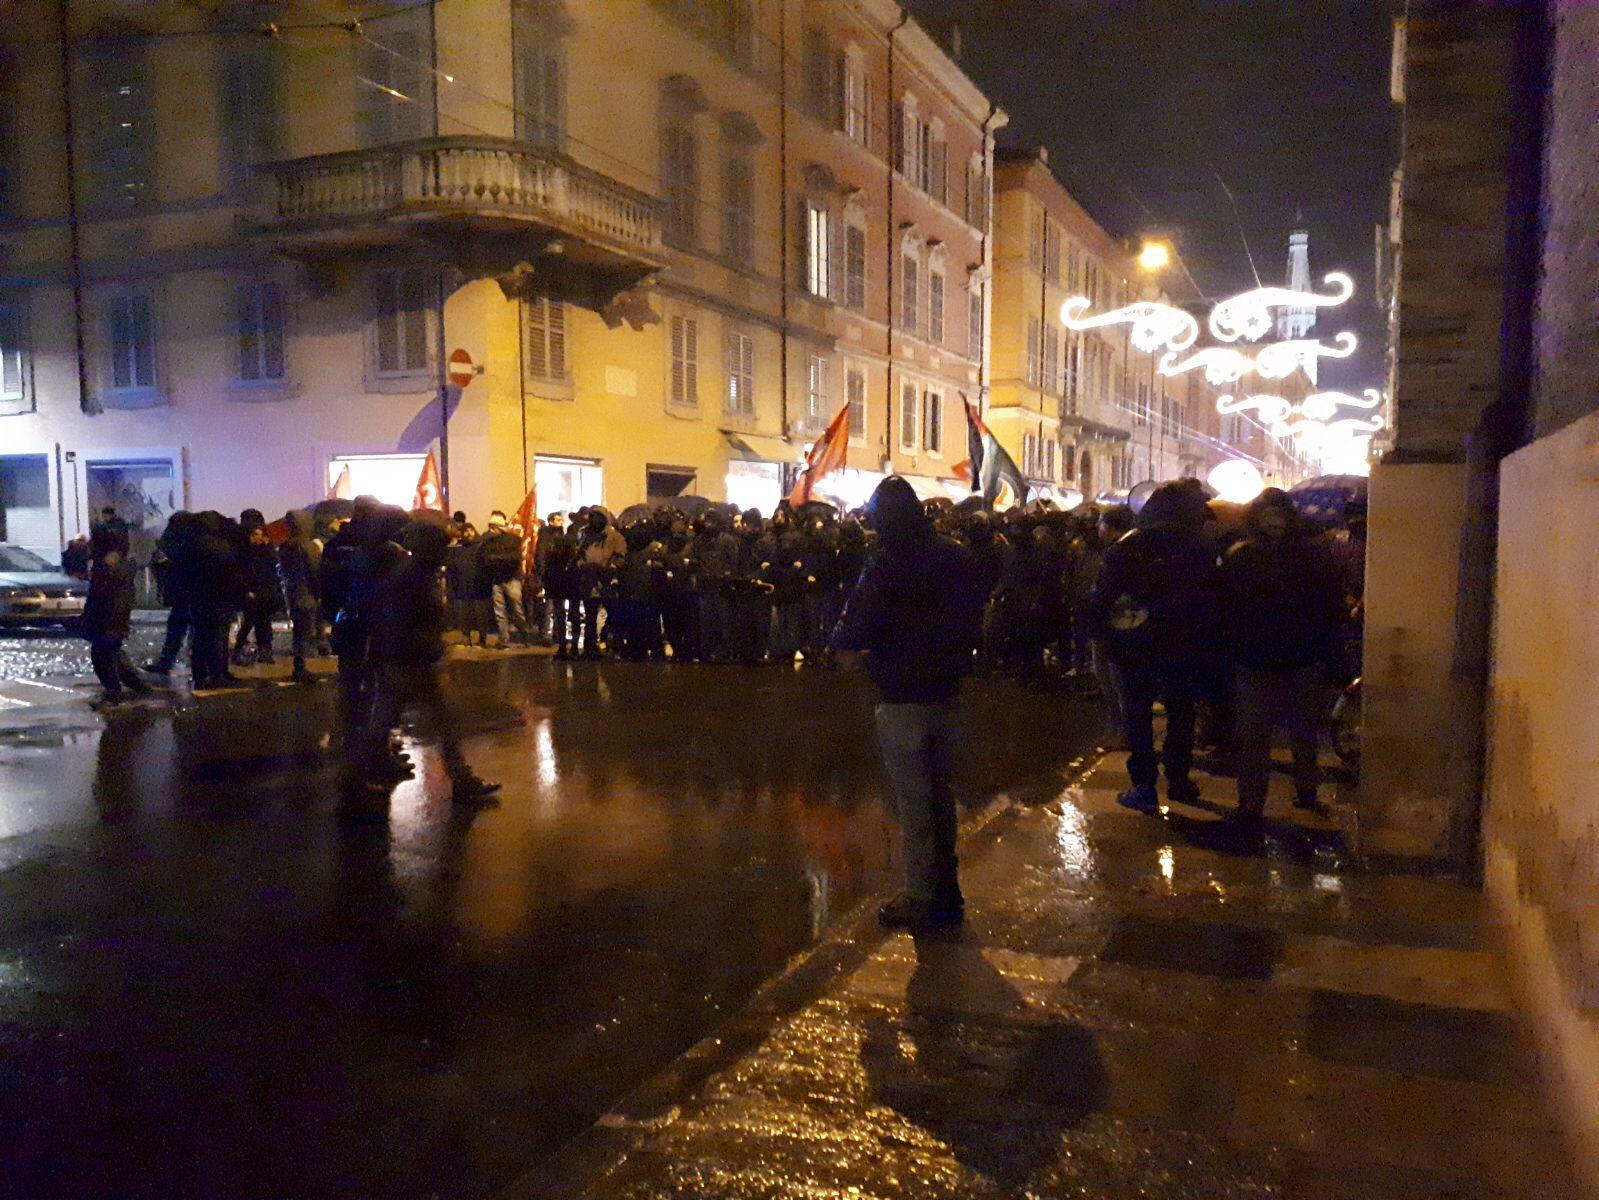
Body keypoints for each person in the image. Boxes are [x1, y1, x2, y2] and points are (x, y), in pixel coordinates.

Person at [831, 477, 986, 931]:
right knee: (941, 797)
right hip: (948, 689)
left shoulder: (886, 560)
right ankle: (946, 888)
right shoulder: (955, 554)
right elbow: (975, 611)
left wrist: (847, 647)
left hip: (902, 693)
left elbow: (859, 618)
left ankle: (923, 896)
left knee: (915, 803)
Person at [347, 520, 499, 816]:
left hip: (409, 658)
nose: (446, 552)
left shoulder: (415, 572)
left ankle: (462, 781)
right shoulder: (411, 576)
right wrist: (429, 649)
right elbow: (403, 622)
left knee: (434, 720)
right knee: (390, 721)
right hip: (405, 660)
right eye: (441, 546)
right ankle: (354, 781)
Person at [1090, 481, 1220, 813]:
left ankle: (1144, 785)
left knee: (1137, 712)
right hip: (1183, 644)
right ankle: (1178, 779)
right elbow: (1215, 600)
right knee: (1180, 711)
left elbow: (1101, 598)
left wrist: (1104, 636)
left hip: (1135, 643)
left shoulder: (1128, 546)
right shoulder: (1201, 548)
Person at [1219, 489, 1347, 825]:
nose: (1274, 523)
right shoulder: (1241, 556)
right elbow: (1224, 610)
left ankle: (1304, 792)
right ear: (1256, 519)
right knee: (1254, 736)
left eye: (1278, 516)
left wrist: (1327, 651)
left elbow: (1331, 607)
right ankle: (1251, 803)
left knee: (1302, 733)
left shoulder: (1311, 557)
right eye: (1267, 516)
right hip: (1257, 659)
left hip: (1300, 658)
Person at [81, 523, 149, 705]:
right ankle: (134, 684)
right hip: (114, 615)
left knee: (103, 653)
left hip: (107, 615)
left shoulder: (107, 564)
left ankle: (114, 691)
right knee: (111, 651)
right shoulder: (117, 562)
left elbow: (102, 593)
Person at [232, 510, 282, 666]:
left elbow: (272, 566)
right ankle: (240, 651)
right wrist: (246, 590)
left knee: (262, 622)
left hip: (263, 591)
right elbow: (241, 570)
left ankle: (264, 651)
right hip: (252, 591)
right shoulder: (243, 548)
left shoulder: (263, 547)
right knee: (251, 622)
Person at [277, 509, 321, 684]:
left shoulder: (285, 546)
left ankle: (299, 665)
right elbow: (315, 571)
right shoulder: (307, 546)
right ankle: (301, 667)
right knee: (305, 630)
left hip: (292, 592)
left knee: (298, 630)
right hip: (306, 593)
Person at [478, 511, 528, 647]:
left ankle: (518, 635)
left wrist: (494, 560)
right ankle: (511, 637)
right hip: (506, 578)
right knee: (509, 609)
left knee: (506, 610)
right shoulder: (506, 540)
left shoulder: (506, 541)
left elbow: (512, 559)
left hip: (505, 578)